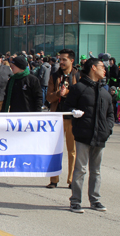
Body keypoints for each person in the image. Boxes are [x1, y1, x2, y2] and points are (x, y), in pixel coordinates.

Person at [64, 58, 114, 213]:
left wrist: (108, 129)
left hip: (100, 136)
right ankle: (75, 201)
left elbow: (110, 114)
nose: (104, 70)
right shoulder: (79, 88)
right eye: (101, 67)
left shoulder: (104, 92)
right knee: (80, 169)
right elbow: (67, 108)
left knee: (96, 170)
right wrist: (74, 113)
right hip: (83, 135)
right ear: (93, 68)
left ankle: (95, 199)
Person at [45, 49, 80, 189]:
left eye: (64, 59)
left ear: (71, 60)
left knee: (72, 151)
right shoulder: (54, 76)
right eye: (60, 59)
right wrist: (58, 94)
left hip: (72, 117)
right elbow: (48, 97)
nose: (61, 62)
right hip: (57, 117)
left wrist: (68, 93)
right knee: (54, 149)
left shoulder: (78, 75)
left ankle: (71, 180)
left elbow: (81, 95)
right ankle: (53, 179)